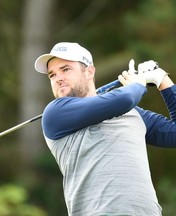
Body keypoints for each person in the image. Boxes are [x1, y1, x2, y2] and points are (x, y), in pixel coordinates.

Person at [34, 42, 176, 215]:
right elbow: (124, 98)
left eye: (65, 69)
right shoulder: (56, 112)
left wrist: (163, 80)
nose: (58, 78)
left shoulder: (133, 113)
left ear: (89, 72)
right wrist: (138, 84)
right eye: (52, 75)